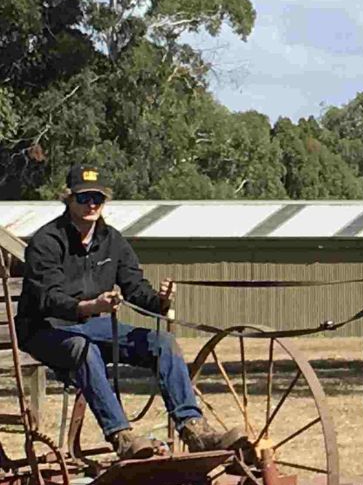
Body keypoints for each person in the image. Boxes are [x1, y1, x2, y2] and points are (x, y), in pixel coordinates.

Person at [17, 164, 241, 460]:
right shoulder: (46, 242)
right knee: (83, 350)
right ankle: (121, 436)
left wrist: (160, 300)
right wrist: (90, 307)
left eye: (98, 197)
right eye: (84, 198)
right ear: (68, 199)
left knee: (162, 343)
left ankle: (194, 429)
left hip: (94, 326)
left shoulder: (113, 240)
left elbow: (135, 287)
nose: (92, 204)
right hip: (46, 330)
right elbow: (48, 298)